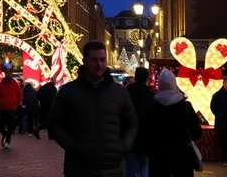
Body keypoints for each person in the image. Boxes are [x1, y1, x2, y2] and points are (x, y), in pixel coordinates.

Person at [49, 41, 138, 176]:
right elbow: (54, 123)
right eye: (94, 60)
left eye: (102, 60)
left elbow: (132, 122)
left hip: (112, 168)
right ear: (85, 61)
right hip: (79, 168)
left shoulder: (119, 92)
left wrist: (124, 146)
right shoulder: (69, 91)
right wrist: (71, 146)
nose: (99, 65)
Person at [147, 68, 203, 177]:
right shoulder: (185, 107)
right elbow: (197, 132)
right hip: (182, 159)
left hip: (158, 159)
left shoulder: (152, 106)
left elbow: (147, 132)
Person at [124, 67, 154, 177]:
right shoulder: (150, 94)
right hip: (145, 137)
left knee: (130, 167)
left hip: (129, 136)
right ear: (147, 78)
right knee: (144, 166)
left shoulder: (127, 91)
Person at [0, 68, 23, 149]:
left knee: (9, 125)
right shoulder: (0, 84)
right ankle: (5, 134)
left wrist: (17, 103)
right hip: (2, 107)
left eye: (9, 73)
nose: (8, 75)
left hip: (11, 107)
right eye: (7, 73)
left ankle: (7, 141)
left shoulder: (15, 84)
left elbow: (19, 94)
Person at [34, 76, 58, 140]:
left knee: (47, 121)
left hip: (43, 106)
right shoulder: (53, 89)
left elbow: (38, 95)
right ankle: (38, 131)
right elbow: (55, 99)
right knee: (49, 121)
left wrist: (42, 102)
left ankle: (49, 135)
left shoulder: (45, 86)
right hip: (50, 107)